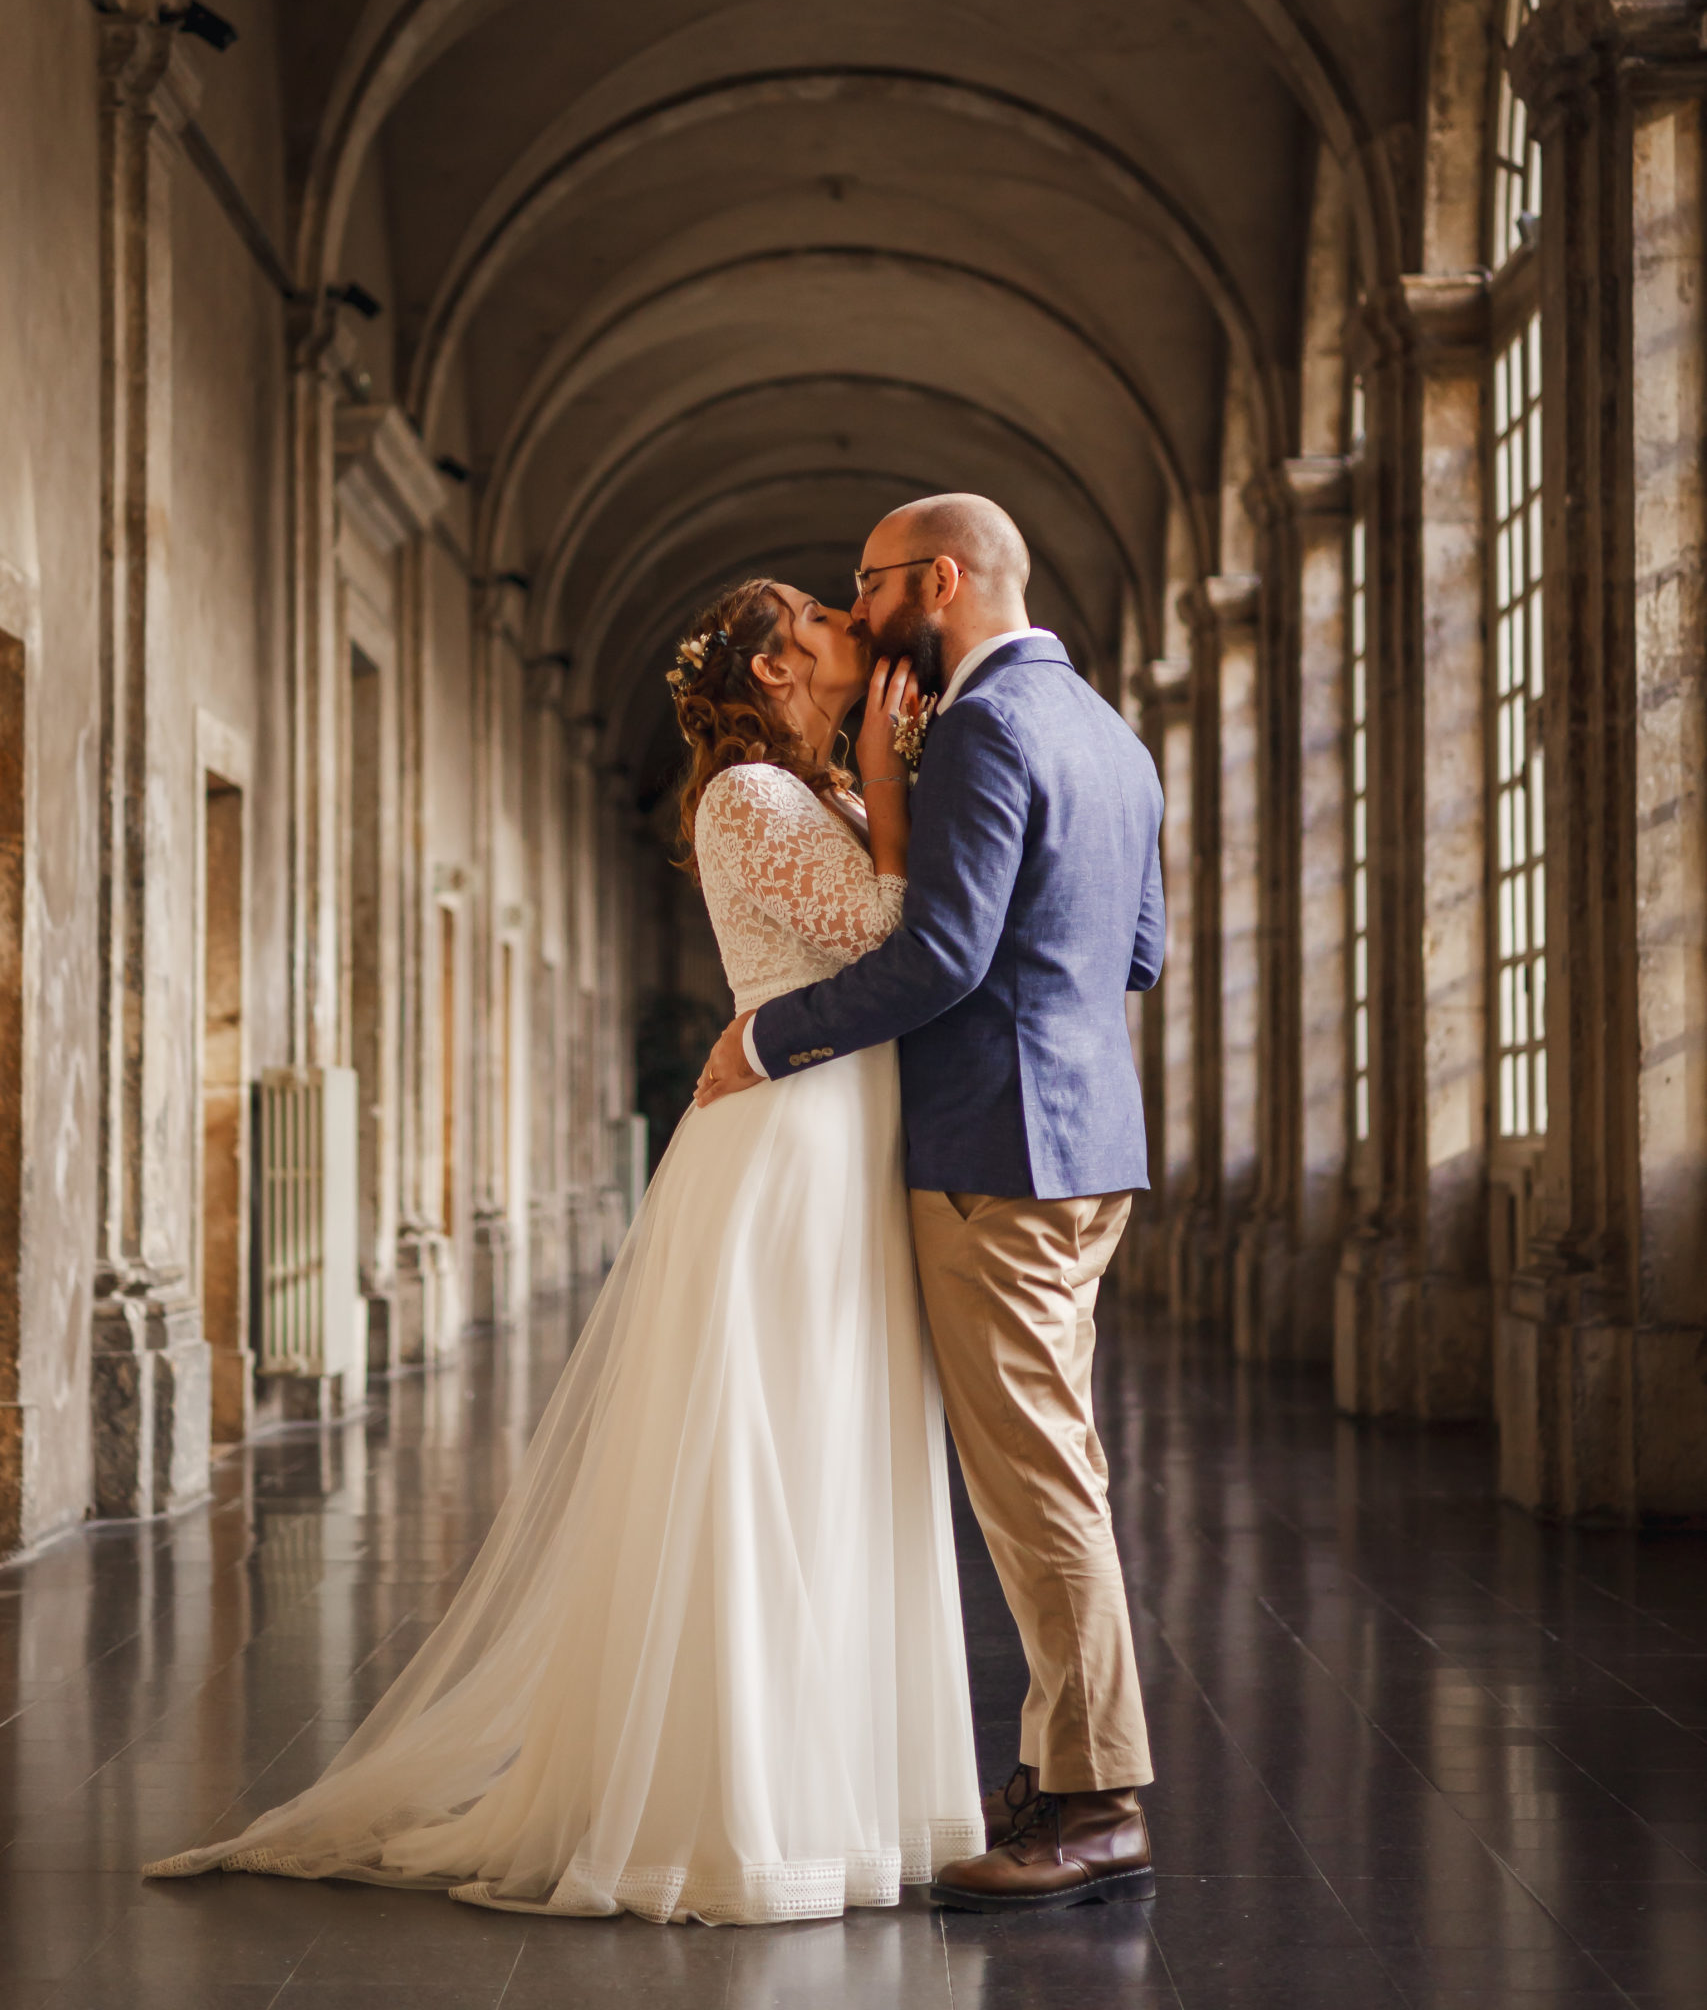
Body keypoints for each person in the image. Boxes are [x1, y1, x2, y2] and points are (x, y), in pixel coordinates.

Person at [144, 576, 983, 1924]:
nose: (851, 624)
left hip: (843, 1148)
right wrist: (888, 770)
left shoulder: (823, 795)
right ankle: (740, 1814)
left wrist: (884, 774)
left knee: (841, 1449)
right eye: (824, 618)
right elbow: (892, 939)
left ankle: (847, 1792)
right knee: (763, 1463)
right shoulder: (750, 799)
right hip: (780, 1156)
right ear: (774, 671)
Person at [697, 492, 1164, 1913]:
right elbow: (1135, 952)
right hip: (1092, 1148)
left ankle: (1096, 1799)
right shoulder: (1109, 731)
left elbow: (944, 954)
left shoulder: (978, 729)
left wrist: (765, 1039)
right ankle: (1056, 1761)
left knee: (1038, 1484)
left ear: (939, 582)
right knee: (1054, 1460)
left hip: (994, 1152)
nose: (858, 607)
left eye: (871, 582)